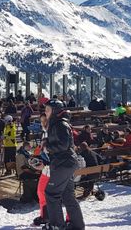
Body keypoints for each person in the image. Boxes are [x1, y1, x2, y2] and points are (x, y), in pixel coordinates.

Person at [44, 99, 84, 230]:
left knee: (51, 194)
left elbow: (63, 145)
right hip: (66, 162)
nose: (45, 112)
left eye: (48, 109)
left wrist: (47, 147)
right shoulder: (58, 123)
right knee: (68, 196)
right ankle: (77, 226)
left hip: (63, 162)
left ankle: (57, 226)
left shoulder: (60, 124)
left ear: (55, 111)